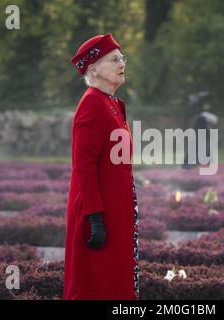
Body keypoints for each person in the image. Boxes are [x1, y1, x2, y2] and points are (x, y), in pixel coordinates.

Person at [63, 33, 139, 300]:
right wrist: (95, 217)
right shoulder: (92, 104)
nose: (122, 64)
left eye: (122, 58)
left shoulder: (111, 103)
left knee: (116, 281)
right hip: (99, 213)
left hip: (115, 210)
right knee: (96, 284)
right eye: (114, 59)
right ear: (94, 69)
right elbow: (83, 166)